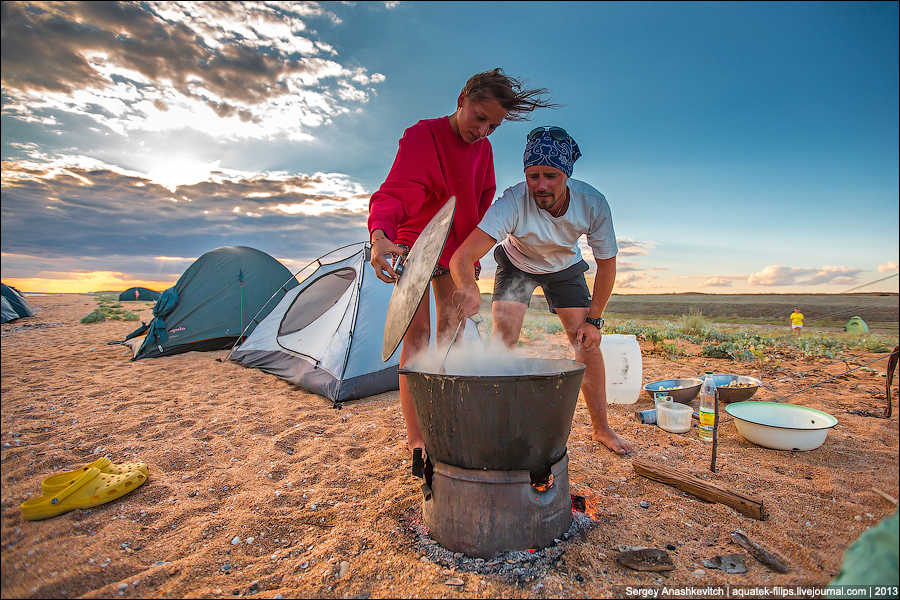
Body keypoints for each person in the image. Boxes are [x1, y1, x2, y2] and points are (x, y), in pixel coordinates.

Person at [367, 69, 555, 471]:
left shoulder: (483, 151)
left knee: (451, 340)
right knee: (416, 344)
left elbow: (482, 205)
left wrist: (470, 261)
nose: (483, 131)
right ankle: (417, 437)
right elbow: (393, 193)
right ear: (462, 98)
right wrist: (379, 236)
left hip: (456, 257)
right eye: (479, 117)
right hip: (415, 249)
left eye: (493, 125)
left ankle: (445, 423)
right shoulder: (422, 136)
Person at [449, 126, 632, 455]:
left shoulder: (593, 203)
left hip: (564, 268)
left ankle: (601, 429)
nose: (541, 185)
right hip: (517, 262)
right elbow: (461, 256)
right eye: (533, 176)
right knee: (503, 342)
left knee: (585, 342)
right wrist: (467, 286)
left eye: (550, 175)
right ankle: (494, 422)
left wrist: (595, 320)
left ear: (566, 175)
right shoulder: (512, 201)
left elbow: (607, 265)